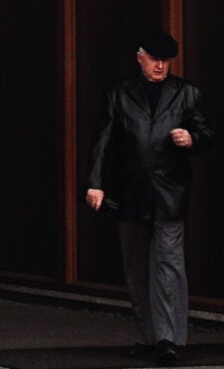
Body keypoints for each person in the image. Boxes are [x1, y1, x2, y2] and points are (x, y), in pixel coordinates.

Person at [85, 29, 214, 366]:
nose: (161, 65)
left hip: (170, 192)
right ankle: (146, 337)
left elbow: (206, 131)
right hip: (131, 191)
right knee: (137, 265)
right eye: (155, 59)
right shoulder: (120, 94)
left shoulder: (187, 94)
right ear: (140, 56)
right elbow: (103, 141)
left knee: (168, 264)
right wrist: (94, 183)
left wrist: (192, 138)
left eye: (166, 60)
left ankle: (168, 339)